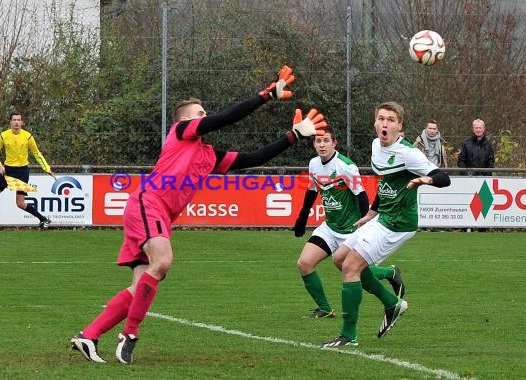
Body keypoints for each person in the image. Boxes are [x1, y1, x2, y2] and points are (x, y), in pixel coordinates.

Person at [70, 66, 328, 364]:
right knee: (163, 261)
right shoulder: (180, 133)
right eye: (199, 113)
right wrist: (267, 94)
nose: (204, 116)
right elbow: (226, 118)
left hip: (155, 213)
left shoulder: (209, 156)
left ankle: (88, 335)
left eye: (205, 112)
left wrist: (294, 135)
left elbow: (254, 158)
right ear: (184, 120)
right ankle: (130, 334)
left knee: (141, 283)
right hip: (148, 203)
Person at [321, 101, 450, 348]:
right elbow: (385, 183)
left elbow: (444, 178)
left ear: (399, 126)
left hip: (399, 223)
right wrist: (371, 213)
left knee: (350, 267)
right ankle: (392, 303)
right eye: (381, 118)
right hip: (382, 218)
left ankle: (349, 335)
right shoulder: (375, 146)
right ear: (375, 122)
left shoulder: (409, 153)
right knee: (339, 259)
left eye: (391, 120)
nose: (385, 123)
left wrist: (425, 179)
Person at [293, 127, 405, 319]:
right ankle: (326, 309)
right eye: (318, 141)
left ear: (334, 143)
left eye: (326, 140)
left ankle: (389, 273)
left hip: (350, 230)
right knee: (304, 264)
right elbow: (312, 191)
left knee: (354, 272)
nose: (321, 145)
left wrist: (365, 229)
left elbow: (361, 197)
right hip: (330, 227)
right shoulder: (314, 164)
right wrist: (302, 217)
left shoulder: (346, 166)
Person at [0, 111, 55, 230]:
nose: (16, 122)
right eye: (14, 120)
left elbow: (37, 153)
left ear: (21, 122)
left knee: (20, 203)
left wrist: (47, 168)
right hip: (7, 171)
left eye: (18, 120)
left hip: (22, 172)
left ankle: (43, 219)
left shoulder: (28, 136)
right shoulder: (3, 135)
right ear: (10, 122)